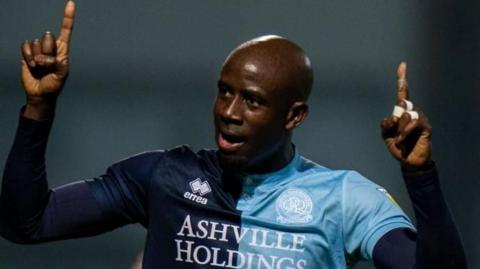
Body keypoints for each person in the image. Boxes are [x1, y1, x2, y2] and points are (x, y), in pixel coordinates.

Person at [0, 1, 467, 268]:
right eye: (224, 93)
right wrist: (40, 108)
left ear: (294, 116)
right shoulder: (163, 176)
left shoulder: (345, 200)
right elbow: (27, 223)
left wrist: (420, 176)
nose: (230, 112)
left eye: (253, 100)